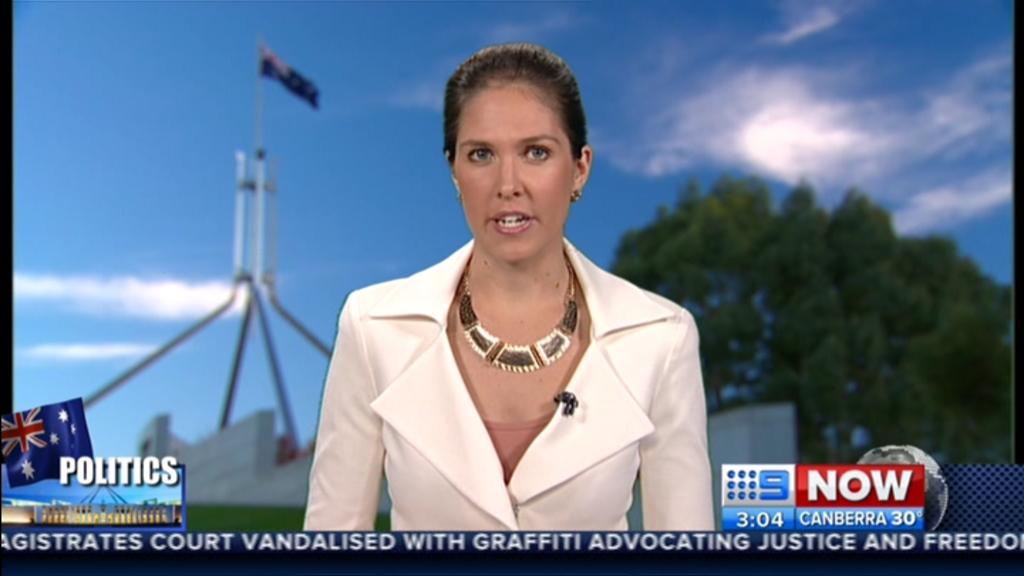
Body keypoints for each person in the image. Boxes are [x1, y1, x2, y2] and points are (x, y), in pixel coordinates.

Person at [304, 42, 713, 531]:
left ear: (580, 168)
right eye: (481, 155)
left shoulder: (661, 338)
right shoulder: (373, 328)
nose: (508, 184)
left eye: (536, 152)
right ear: (454, 170)